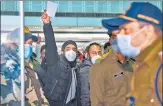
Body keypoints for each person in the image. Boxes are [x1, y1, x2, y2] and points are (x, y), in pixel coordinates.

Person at [104, 2, 162, 106]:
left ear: (148, 31)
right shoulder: (143, 63)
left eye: (125, 30)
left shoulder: (159, 66)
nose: (120, 35)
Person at [0, 26, 49, 106]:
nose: (30, 47)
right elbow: (13, 101)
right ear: (14, 44)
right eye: (28, 43)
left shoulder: (26, 64)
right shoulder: (7, 69)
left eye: (31, 44)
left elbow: (34, 90)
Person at [39, 10, 78, 106]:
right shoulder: (55, 63)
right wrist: (47, 24)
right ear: (62, 51)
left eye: (74, 49)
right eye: (68, 49)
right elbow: (51, 45)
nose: (71, 51)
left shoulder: (77, 68)